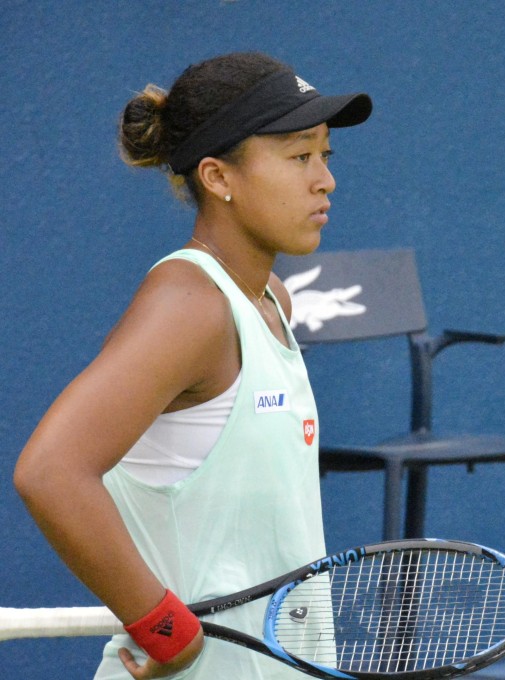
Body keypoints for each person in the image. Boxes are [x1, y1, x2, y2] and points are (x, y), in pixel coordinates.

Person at [14, 51, 371, 679]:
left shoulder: (270, 301)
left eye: (325, 156)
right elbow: (50, 471)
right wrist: (166, 631)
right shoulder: (189, 307)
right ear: (217, 176)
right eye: (298, 156)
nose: (325, 180)